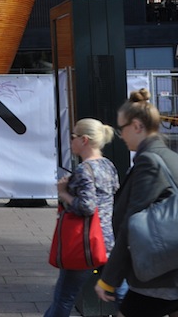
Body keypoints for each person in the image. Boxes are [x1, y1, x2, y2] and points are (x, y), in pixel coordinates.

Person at [95, 89, 178, 317]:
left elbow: (132, 222)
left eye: (122, 128)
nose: (121, 135)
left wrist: (109, 279)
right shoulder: (169, 155)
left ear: (136, 126)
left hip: (166, 277)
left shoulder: (149, 161)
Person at [44, 118, 123, 317]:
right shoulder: (108, 165)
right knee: (121, 292)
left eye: (73, 136)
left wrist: (64, 193)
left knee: (63, 298)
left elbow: (87, 206)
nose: (71, 141)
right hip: (107, 241)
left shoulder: (83, 170)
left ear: (84, 140)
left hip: (86, 243)